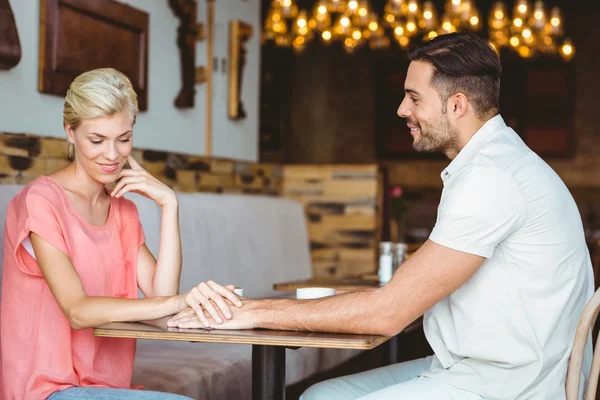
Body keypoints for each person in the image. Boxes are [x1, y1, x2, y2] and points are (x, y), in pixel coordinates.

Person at [167, 32, 594, 399]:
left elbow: (388, 314)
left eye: (413, 98)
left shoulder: (491, 176)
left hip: (510, 387)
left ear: (457, 104)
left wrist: (253, 311)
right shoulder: (495, 163)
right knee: (321, 394)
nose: (401, 110)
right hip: (483, 370)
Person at [0, 68, 242, 400]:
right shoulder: (41, 201)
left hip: (105, 388)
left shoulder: (122, 209)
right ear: (69, 132)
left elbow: (161, 297)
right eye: (97, 140)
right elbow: (78, 310)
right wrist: (175, 301)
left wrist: (169, 204)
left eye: (124, 139)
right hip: (46, 389)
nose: (112, 155)